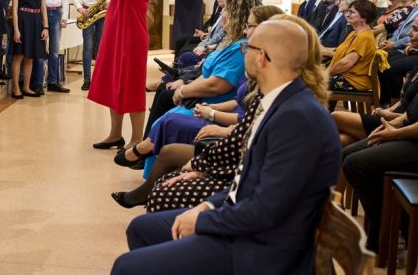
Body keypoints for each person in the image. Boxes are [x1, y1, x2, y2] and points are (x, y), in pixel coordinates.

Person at [111, 20, 341, 275]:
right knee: (141, 228)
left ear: (262, 57)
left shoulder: (297, 118)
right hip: (250, 225)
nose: (244, 53)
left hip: (264, 249)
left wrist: (203, 220)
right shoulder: (281, 101)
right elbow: (248, 181)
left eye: (247, 49)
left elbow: (266, 211)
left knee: (125, 267)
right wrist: (207, 206)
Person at [114, 13, 329, 213]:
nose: (245, 38)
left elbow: (251, 161)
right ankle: (145, 168)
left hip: (250, 198)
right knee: (168, 155)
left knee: (162, 194)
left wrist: (205, 169)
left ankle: (143, 159)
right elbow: (243, 136)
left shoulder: (290, 106)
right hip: (239, 171)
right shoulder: (277, 92)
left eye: (249, 47)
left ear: (263, 56)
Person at [117, 0, 261, 169]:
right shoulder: (232, 43)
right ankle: (145, 154)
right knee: (167, 106)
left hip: (214, 101)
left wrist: (185, 91)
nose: (222, 14)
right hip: (207, 99)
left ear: (236, 15)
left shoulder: (240, 48)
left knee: (168, 117)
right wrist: (185, 86)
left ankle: (142, 152)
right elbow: (207, 72)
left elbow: (216, 84)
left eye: (225, 10)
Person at [341, 11, 418, 251]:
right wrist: (393, 118)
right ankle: (394, 229)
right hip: (410, 131)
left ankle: (388, 234)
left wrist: (394, 133)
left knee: (357, 163)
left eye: (417, 29)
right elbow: (413, 106)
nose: (410, 32)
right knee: (348, 153)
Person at [68, 0, 163, 151]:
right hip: (120, 36)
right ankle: (115, 134)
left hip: (131, 40)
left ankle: (137, 138)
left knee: (132, 88)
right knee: (116, 84)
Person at [11, 0, 48, 99]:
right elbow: (14, 9)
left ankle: (26, 87)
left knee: (30, 57)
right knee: (19, 55)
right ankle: (16, 88)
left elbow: (43, 7)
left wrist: (46, 27)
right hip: (22, 21)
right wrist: (16, 29)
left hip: (36, 21)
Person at [73, 0, 110, 91]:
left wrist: (109, 1)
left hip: (102, 12)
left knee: (100, 48)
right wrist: (80, 8)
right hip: (88, 12)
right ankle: (87, 79)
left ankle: (99, 79)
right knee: (88, 48)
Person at [36, 0, 70, 93]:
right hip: (40, 13)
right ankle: (38, 82)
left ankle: (53, 82)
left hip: (56, 13)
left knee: (55, 49)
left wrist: (65, 16)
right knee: (40, 49)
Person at [327, 0, 378, 92]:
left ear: (364, 17)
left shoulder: (364, 37)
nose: (347, 14)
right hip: (347, 76)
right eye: (348, 11)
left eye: (352, 12)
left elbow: (346, 63)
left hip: (355, 81)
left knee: (313, 82)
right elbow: (339, 52)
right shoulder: (354, 33)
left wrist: (325, 73)